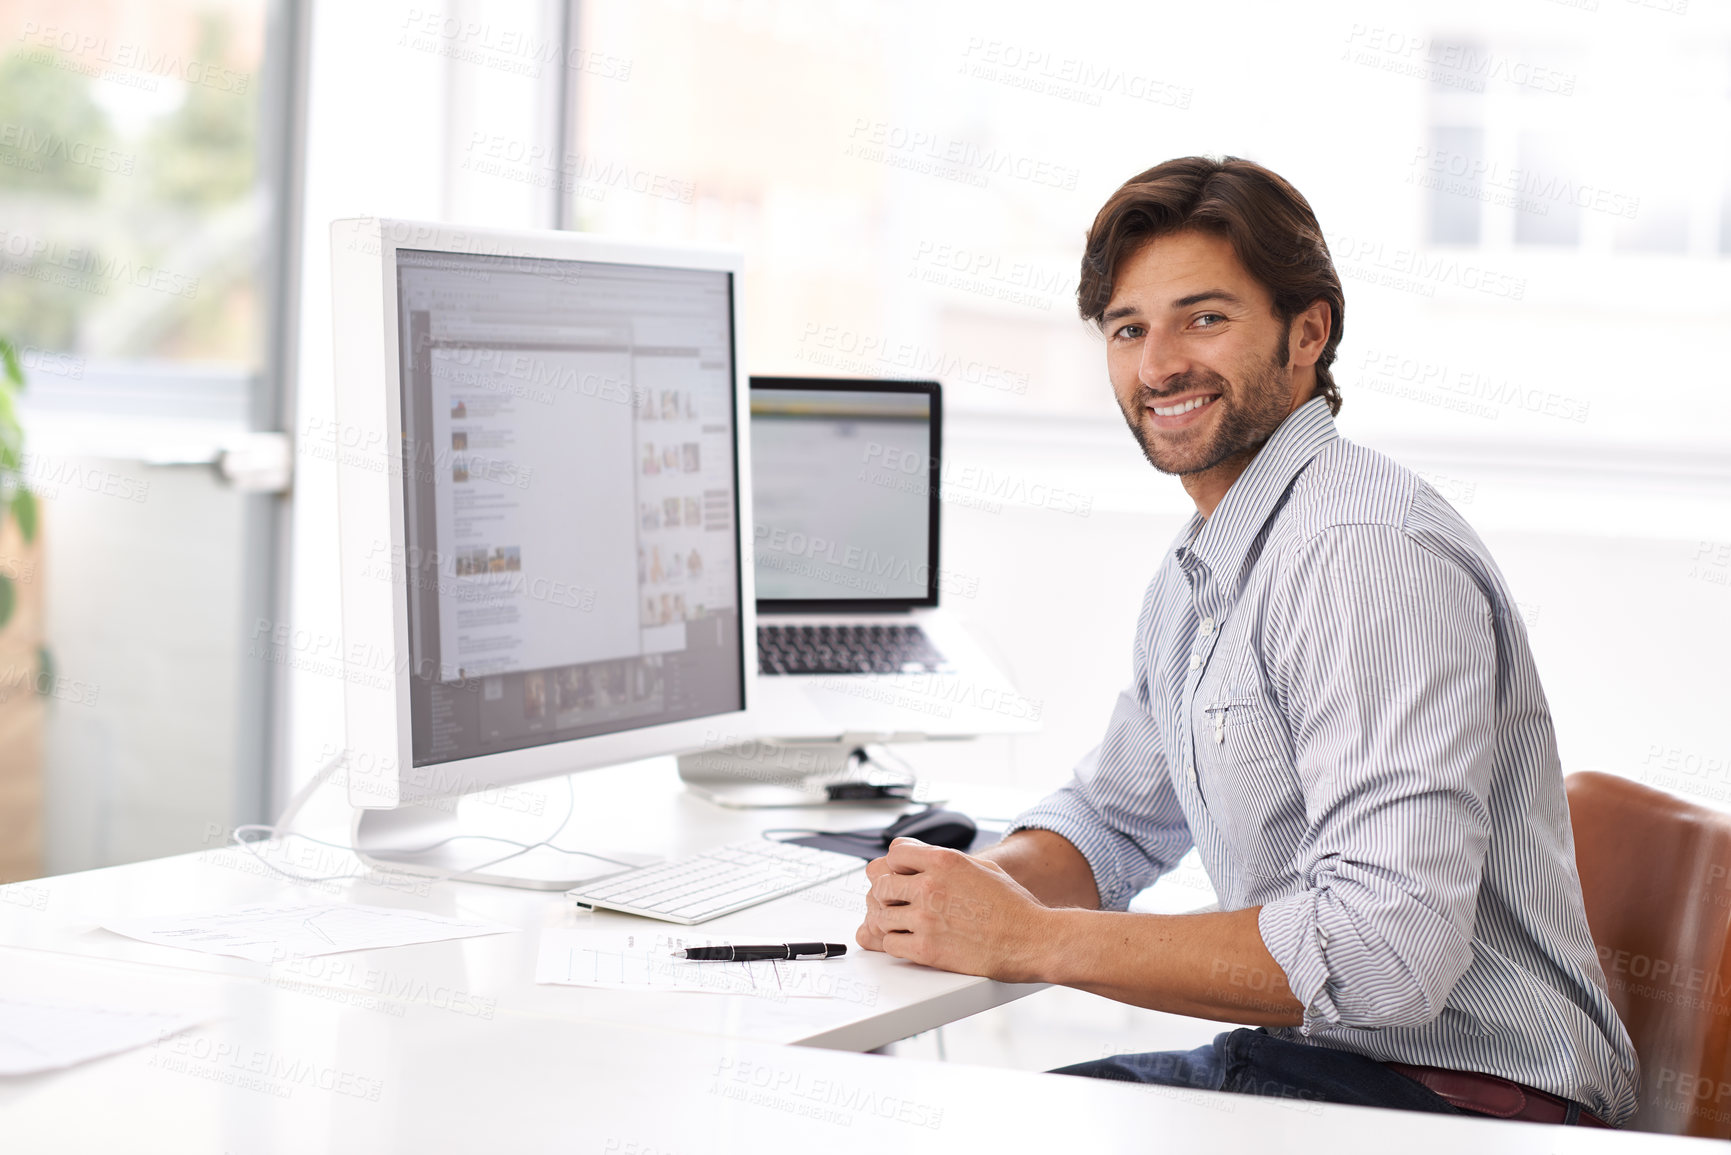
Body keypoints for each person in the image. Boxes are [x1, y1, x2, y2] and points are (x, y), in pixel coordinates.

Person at [855, 156, 1638, 1126]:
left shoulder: (1361, 553)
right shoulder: (1207, 569)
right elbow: (1113, 821)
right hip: (1327, 1071)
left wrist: (1031, 941)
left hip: (1458, 1100)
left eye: (1205, 318)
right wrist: (963, 893)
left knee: (949, 1131)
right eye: (1128, 329)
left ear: (1308, 332)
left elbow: (1385, 955)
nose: (1159, 364)